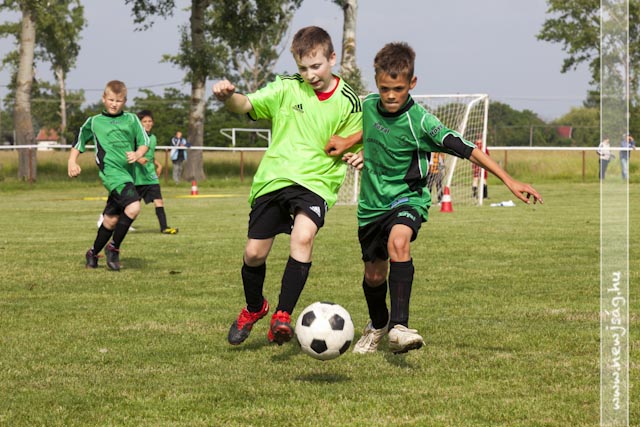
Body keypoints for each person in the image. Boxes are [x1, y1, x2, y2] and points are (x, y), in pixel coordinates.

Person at [328, 42, 543, 354]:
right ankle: (378, 324)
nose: (391, 96)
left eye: (398, 89)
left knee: (399, 242)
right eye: (385, 88)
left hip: (408, 198)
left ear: (412, 83)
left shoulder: (422, 121)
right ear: (376, 83)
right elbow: (372, 126)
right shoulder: (370, 105)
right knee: (373, 276)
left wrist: (509, 180)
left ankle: (399, 327)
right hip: (371, 206)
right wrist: (349, 141)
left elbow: (467, 149)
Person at [212, 26, 363, 346]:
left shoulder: (349, 101)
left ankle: (282, 315)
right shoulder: (286, 87)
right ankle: (255, 308)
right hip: (274, 179)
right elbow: (245, 104)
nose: (310, 75)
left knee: (303, 237)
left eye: (316, 66)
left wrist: (358, 154)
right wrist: (228, 98)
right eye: (303, 68)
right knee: (254, 254)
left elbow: (355, 141)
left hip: (316, 182)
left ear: (332, 58)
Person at [68, 80, 149, 271]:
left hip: (128, 174)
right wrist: (72, 161)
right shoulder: (94, 121)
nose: (114, 104)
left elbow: (144, 142)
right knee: (134, 207)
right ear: (104, 98)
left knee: (111, 220)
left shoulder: (132, 119)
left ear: (125, 101)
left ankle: (93, 253)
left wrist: (137, 154)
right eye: (111, 100)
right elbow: (79, 141)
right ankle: (114, 248)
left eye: (118, 101)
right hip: (111, 174)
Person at [135, 110, 179, 234]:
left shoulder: (153, 138)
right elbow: (128, 153)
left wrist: (158, 164)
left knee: (159, 201)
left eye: (150, 121)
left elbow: (150, 155)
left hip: (151, 175)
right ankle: (112, 222)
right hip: (137, 177)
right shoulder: (135, 137)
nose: (148, 123)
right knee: (133, 206)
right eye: (144, 121)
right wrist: (138, 158)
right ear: (139, 123)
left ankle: (164, 227)